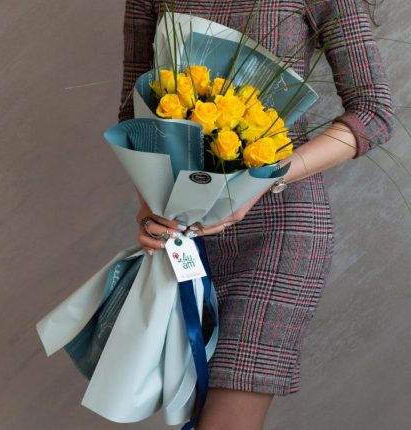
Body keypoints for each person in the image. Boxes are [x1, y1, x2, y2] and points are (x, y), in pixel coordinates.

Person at [118, 1, 395, 429]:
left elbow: (373, 113)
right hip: (185, 234)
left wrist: (265, 178)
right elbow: (133, 116)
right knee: (190, 413)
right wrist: (148, 210)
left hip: (280, 230)